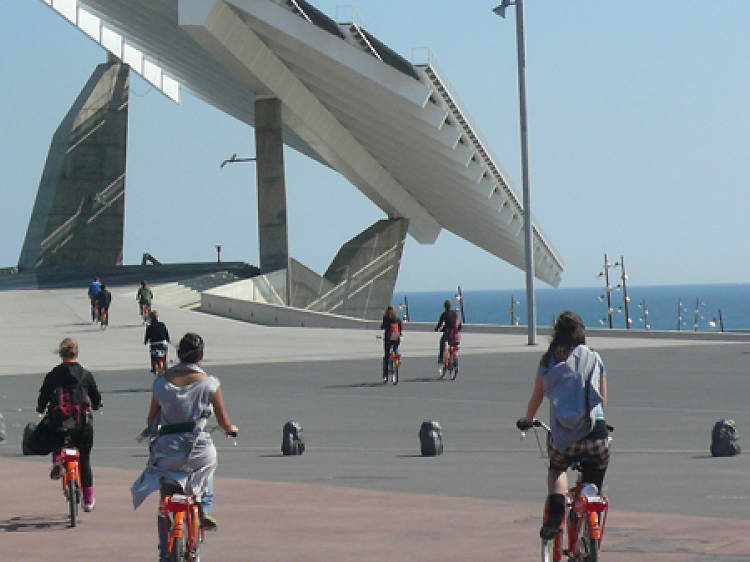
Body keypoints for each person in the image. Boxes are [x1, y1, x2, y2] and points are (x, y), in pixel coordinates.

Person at [131, 333, 238, 561]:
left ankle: (164, 552)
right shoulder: (210, 384)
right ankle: (203, 510)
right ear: (202, 355)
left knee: (165, 501)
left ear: (178, 354)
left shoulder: (161, 383)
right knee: (209, 463)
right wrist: (231, 429)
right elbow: (223, 422)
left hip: (167, 450)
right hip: (197, 450)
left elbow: (151, 420)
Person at [517, 311, 609, 541]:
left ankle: (557, 509)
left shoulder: (548, 360)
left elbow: (537, 397)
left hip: (563, 438)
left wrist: (527, 421)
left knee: (557, 469)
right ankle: (590, 516)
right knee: (593, 477)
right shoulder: (595, 358)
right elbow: (603, 400)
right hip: (596, 432)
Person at [35, 338, 102, 511]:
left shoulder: (54, 374)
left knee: (55, 434)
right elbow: (96, 397)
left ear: (61, 354)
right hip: (81, 425)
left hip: (59, 423)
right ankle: (88, 500)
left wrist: (41, 408)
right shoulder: (85, 374)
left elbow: (43, 396)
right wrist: (96, 404)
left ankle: (57, 459)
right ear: (76, 353)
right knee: (84, 458)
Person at [379, 305, 403, 382]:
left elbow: (383, 326)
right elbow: (400, 328)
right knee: (395, 349)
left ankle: (385, 375)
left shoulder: (386, 319)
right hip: (396, 338)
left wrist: (383, 327)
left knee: (386, 356)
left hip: (388, 338)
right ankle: (397, 359)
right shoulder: (398, 319)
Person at [434, 299, 460, 364]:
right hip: (455, 333)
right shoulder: (454, 313)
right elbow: (459, 323)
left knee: (442, 342)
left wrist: (436, 329)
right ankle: (455, 361)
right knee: (454, 345)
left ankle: (440, 358)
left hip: (448, 333)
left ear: (444, 307)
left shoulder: (444, 314)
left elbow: (440, 323)